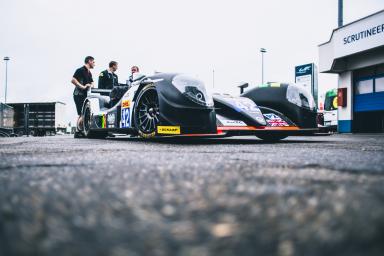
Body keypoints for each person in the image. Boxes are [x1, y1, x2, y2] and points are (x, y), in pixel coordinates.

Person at [71, 56, 95, 137]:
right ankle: (77, 132)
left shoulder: (89, 73)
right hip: (78, 94)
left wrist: (90, 85)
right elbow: (73, 80)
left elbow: (92, 83)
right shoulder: (80, 70)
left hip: (85, 95)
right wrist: (83, 87)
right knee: (81, 114)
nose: (94, 64)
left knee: (82, 114)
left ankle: (79, 131)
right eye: (93, 62)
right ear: (89, 61)